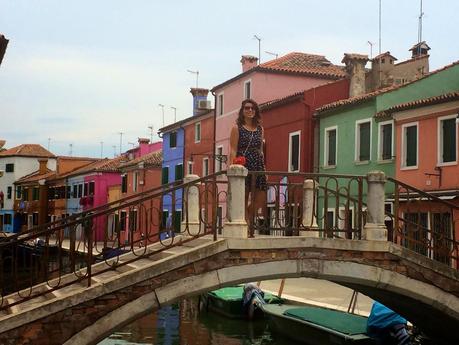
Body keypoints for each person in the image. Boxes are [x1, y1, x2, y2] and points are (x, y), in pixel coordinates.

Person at [229, 99, 267, 228]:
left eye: (252, 108)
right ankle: (246, 226)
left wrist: (264, 169)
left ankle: (248, 218)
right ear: (242, 111)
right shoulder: (236, 128)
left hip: (258, 165)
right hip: (243, 164)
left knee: (260, 196)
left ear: (255, 111)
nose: (250, 110)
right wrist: (232, 169)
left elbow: (261, 151)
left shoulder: (260, 129)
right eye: (247, 108)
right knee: (243, 198)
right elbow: (233, 149)